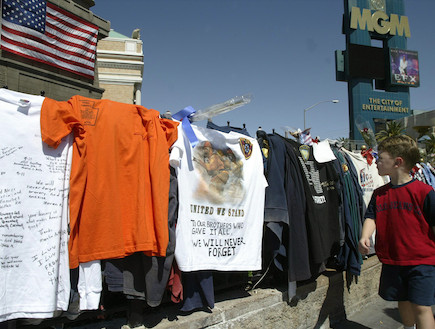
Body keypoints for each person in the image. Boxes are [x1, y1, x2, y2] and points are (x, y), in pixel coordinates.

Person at [358, 135, 435, 329]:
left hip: (422, 262)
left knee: (422, 307)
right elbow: (371, 216)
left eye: (381, 158)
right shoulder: (380, 193)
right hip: (393, 261)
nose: (376, 161)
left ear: (397, 162)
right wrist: (365, 236)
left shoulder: (424, 192)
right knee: (403, 300)